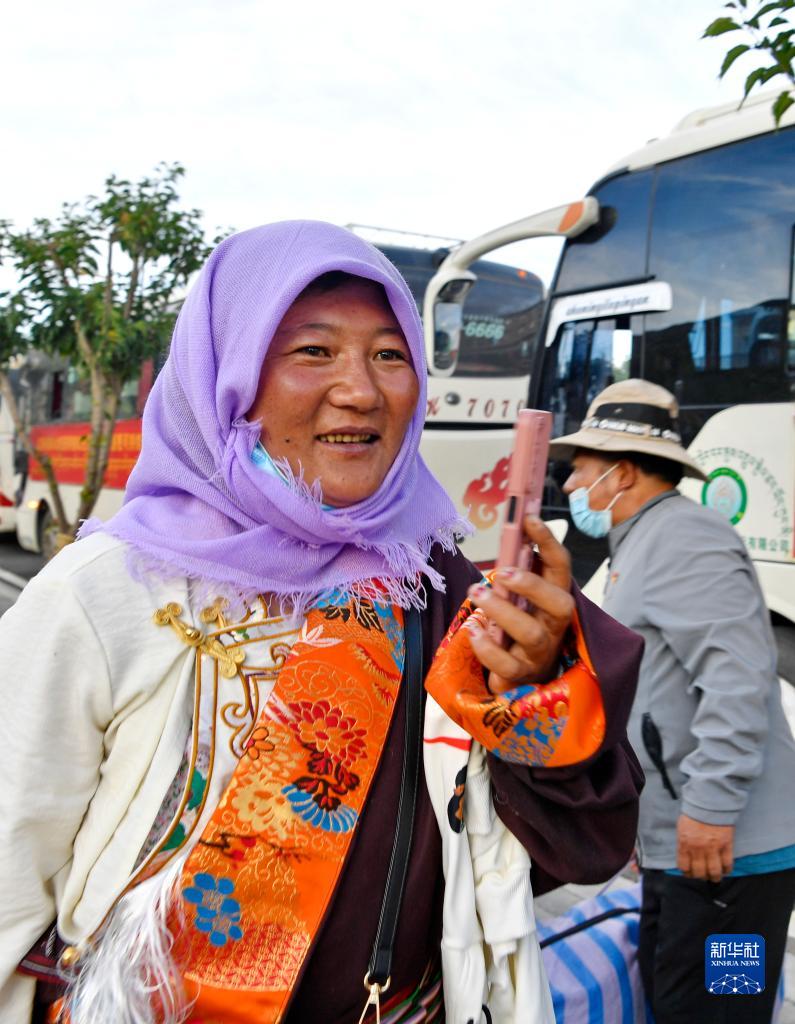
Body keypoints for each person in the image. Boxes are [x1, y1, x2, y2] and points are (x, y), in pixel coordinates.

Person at [0, 222, 642, 1024]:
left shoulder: (438, 589)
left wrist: (535, 685)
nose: (361, 391)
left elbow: (564, 850)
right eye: (313, 351)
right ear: (227, 376)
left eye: (390, 355)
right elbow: (10, 866)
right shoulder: (105, 592)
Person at [550, 378, 795, 1024]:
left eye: (581, 468)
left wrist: (710, 808)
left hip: (730, 862)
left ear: (623, 474)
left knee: (719, 1009)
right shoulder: (645, 540)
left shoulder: (685, 540)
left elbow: (737, 680)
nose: (570, 484)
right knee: (680, 999)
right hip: (690, 852)